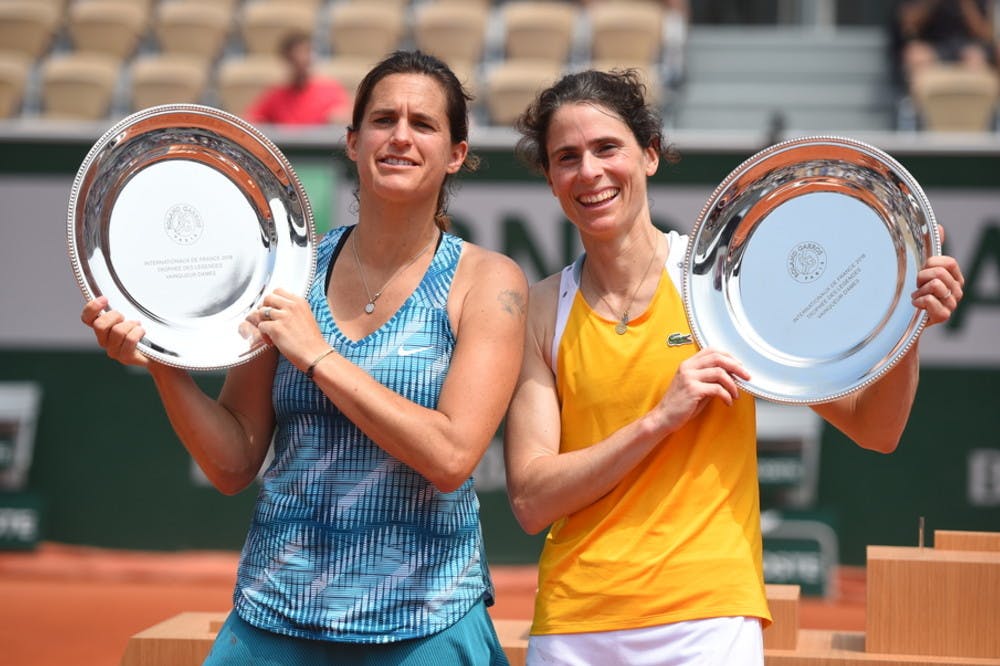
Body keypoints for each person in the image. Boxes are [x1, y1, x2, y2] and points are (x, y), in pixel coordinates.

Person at [503, 68, 965, 665]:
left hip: (708, 621)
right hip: (574, 624)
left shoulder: (723, 294)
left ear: (649, 154)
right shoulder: (542, 310)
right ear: (550, 178)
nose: (589, 171)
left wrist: (911, 328)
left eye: (606, 147)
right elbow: (531, 501)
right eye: (566, 157)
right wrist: (658, 419)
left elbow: (875, 430)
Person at [82, 50, 526, 664]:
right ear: (352, 141)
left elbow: (450, 457)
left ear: (455, 153)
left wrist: (317, 355)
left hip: (425, 624)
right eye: (382, 119)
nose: (400, 135)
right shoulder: (288, 274)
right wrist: (161, 355)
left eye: (423, 124)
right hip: (274, 613)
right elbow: (234, 462)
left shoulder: (489, 280)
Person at [244, 31, 351, 126]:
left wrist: (338, 120)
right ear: (286, 59)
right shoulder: (275, 94)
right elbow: (251, 120)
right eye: (296, 55)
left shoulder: (330, 89)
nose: (302, 59)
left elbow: (345, 118)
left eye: (306, 52)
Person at [891, 0, 999, 85]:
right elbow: (907, 24)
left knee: (976, 58)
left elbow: (986, 34)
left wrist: (966, 3)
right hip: (932, 47)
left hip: (967, 48)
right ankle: (918, 111)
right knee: (917, 56)